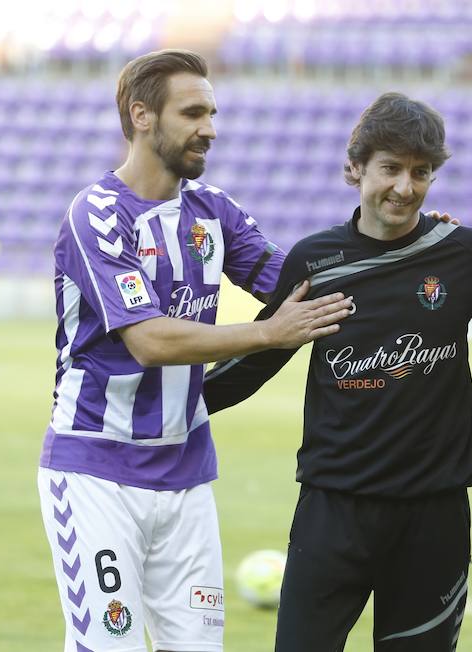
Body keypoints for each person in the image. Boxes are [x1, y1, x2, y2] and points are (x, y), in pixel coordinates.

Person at [37, 49, 353, 652]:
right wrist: (267, 332)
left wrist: (405, 245)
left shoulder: (214, 211)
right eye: (193, 112)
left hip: (187, 475)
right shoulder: (98, 215)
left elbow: (301, 284)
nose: (210, 127)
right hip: (96, 472)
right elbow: (150, 340)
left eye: (212, 112)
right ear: (142, 116)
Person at [203, 92, 472, 651]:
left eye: (420, 173)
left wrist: (468, 427)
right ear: (355, 168)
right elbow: (255, 362)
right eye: (390, 168)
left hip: (434, 517)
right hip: (332, 512)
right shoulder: (314, 261)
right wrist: (165, 409)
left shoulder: (462, 254)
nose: (405, 187)